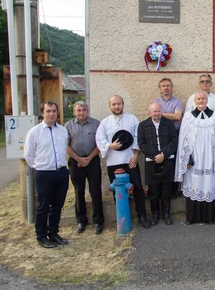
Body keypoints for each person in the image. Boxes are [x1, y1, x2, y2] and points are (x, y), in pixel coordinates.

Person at [96, 95, 151, 228]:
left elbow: (138, 137)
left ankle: (142, 215)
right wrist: (110, 146)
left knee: (137, 187)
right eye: (114, 104)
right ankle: (122, 217)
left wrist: (136, 156)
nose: (116, 106)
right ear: (110, 106)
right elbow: (100, 139)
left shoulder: (132, 119)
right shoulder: (105, 123)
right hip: (113, 163)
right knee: (118, 191)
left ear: (123, 104)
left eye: (119, 104)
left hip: (130, 161)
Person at [24, 101, 70, 248]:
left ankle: (53, 233)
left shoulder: (62, 131)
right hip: (44, 174)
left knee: (57, 205)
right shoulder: (34, 132)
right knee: (43, 206)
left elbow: (64, 149)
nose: (51, 114)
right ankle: (41, 236)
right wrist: (40, 167)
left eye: (54, 111)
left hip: (61, 173)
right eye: (48, 111)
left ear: (57, 113)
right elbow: (28, 155)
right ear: (42, 113)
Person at [175, 91, 215, 224]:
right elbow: (183, 138)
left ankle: (209, 216)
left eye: (203, 98)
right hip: (194, 156)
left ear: (207, 100)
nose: (201, 101)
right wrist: (186, 157)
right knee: (194, 183)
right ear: (194, 101)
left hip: (210, 156)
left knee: (209, 183)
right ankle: (192, 217)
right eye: (198, 99)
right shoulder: (189, 117)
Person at [65, 101, 104, 234]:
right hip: (75, 162)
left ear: (87, 111)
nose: (81, 113)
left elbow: (100, 143)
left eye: (84, 110)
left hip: (92, 160)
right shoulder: (68, 125)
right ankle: (81, 221)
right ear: (74, 112)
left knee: (95, 191)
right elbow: (66, 146)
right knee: (78, 191)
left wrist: (88, 159)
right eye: (78, 110)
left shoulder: (96, 124)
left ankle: (98, 221)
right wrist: (79, 159)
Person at [137, 103, 178, 225]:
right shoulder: (143, 125)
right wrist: (156, 155)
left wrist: (163, 154)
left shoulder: (169, 124)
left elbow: (174, 141)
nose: (156, 113)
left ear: (161, 111)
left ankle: (166, 214)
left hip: (167, 159)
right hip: (151, 161)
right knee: (153, 191)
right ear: (150, 112)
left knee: (166, 189)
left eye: (158, 111)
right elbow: (142, 143)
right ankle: (155, 215)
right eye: (154, 111)